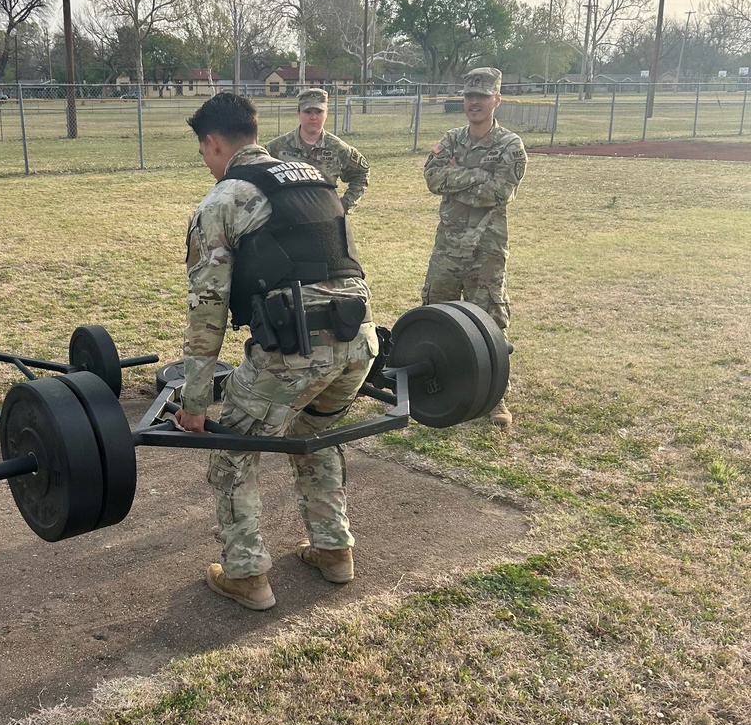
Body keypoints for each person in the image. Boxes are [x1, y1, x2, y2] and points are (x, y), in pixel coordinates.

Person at [173, 92, 379, 611]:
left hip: (295, 350)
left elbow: (207, 313)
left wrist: (195, 405)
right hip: (359, 344)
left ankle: (246, 575)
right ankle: (334, 551)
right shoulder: (311, 178)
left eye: (204, 153)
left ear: (213, 143)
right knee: (317, 433)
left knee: (233, 451)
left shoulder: (222, 202)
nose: (206, 163)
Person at [421, 67, 526, 428]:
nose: (474, 103)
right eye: (469, 96)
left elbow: (501, 192)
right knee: (436, 315)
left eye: (482, 96)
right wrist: (478, 174)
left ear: (497, 100)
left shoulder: (510, 145)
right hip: (448, 246)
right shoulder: (450, 139)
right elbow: (433, 179)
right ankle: (440, 386)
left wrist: (458, 175)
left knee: (491, 322)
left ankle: (496, 398)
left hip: (486, 248)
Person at [266, 88, 369, 211]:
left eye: (319, 112)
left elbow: (361, 174)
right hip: (287, 217)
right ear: (299, 113)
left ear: (326, 113)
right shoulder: (276, 147)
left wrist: (344, 205)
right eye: (308, 112)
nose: (313, 117)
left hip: (324, 217)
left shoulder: (338, 148)